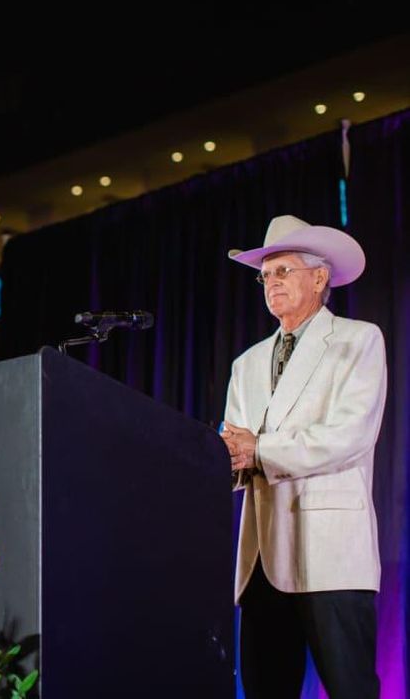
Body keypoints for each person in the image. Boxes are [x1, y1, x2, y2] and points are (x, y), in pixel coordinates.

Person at [221, 215, 386, 698]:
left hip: (330, 551)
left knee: (351, 687)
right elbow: (235, 444)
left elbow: (350, 435)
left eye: (283, 271)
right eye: (265, 276)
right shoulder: (246, 363)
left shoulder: (358, 340)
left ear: (319, 278)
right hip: (262, 554)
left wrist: (257, 448)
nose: (272, 283)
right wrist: (222, 458)